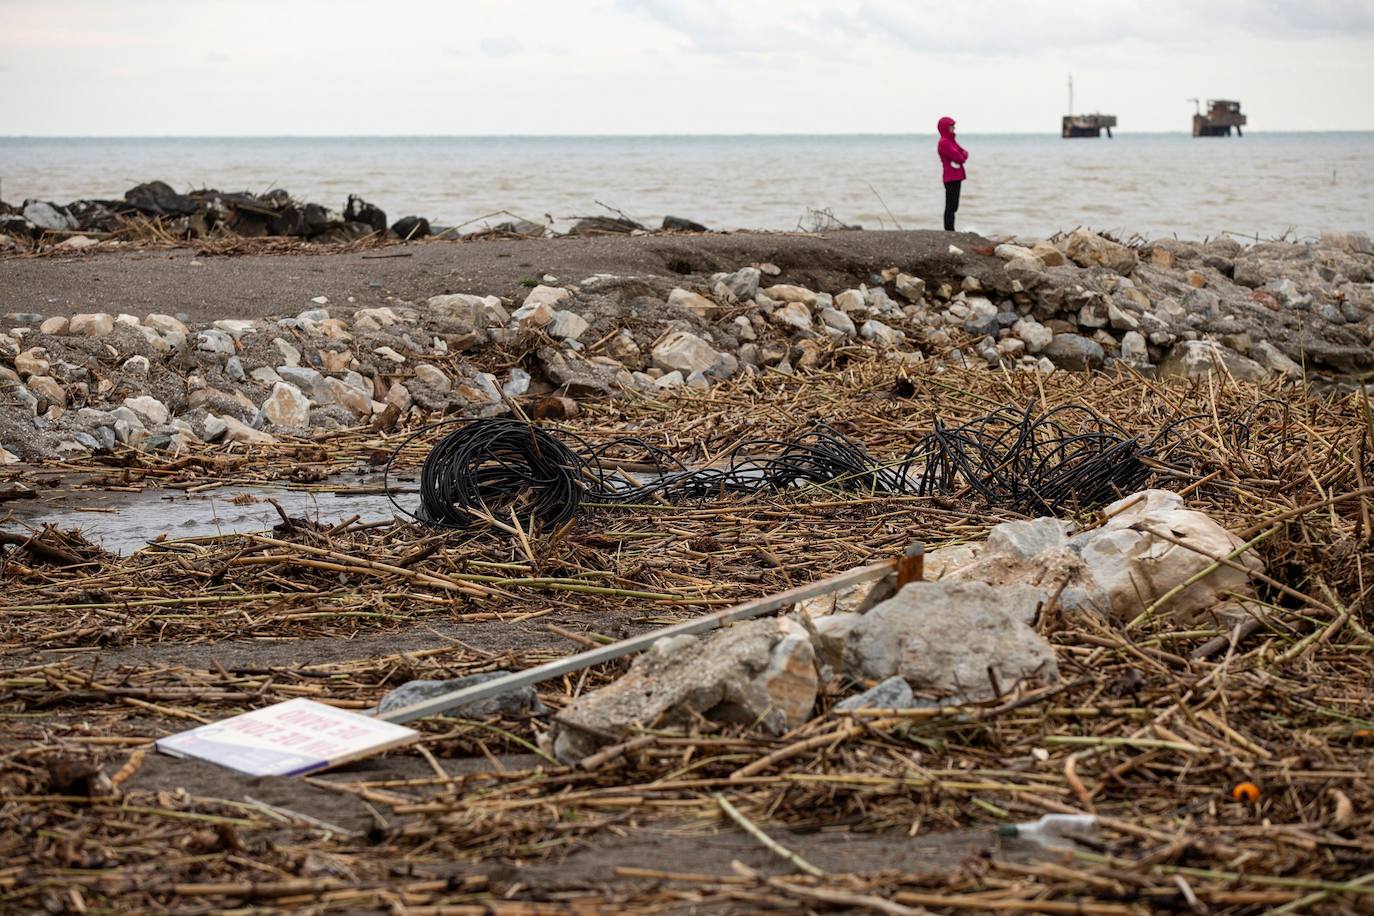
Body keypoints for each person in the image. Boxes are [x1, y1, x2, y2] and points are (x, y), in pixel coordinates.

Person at [937, 116, 968, 231]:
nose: (954, 128)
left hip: (956, 176)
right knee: (951, 205)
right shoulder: (944, 142)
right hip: (951, 177)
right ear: (946, 128)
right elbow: (960, 157)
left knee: (954, 204)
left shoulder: (951, 141)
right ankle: (949, 229)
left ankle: (950, 228)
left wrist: (962, 154)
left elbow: (964, 152)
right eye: (951, 126)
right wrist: (962, 155)